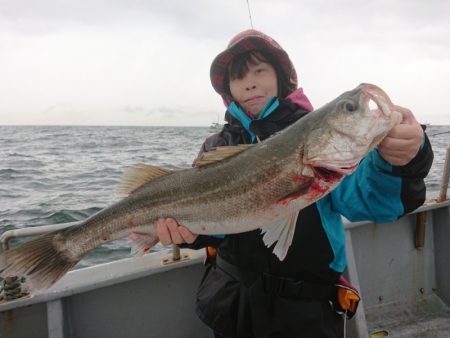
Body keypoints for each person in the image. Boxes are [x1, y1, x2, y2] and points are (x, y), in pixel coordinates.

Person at [155, 29, 433, 338]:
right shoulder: (216, 148)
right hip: (233, 308)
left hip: (306, 315)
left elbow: (376, 203)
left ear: (281, 77)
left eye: (260, 70)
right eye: (238, 77)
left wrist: (402, 161)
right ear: (229, 90)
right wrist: (190, 234)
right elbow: (217, 224)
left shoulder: (319, 141)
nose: (250, 82)